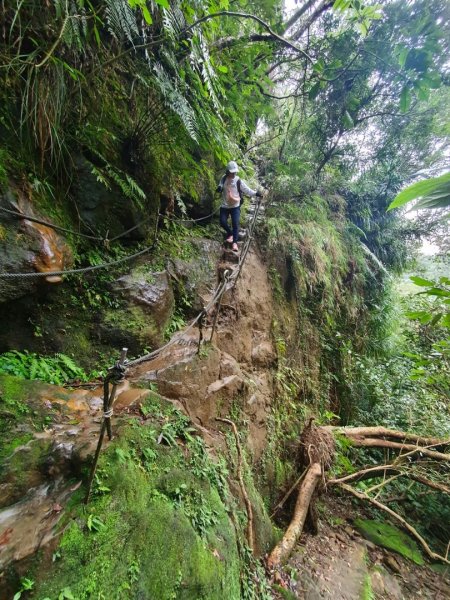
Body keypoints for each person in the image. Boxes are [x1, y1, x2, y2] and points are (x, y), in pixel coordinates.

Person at [216, 161, 262, 251]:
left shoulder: (238, 180)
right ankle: (230, 233)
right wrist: (219, 188)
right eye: (232, 172)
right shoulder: (223, 179)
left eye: (234, 172)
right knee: (222, 222)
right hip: (225, 206)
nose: (233, 173)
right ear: (228, 171)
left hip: (235, 206)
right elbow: (220, 186)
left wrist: (256, 193)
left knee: (235, 224)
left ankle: (235, 243)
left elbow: (246, 190)